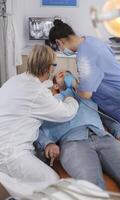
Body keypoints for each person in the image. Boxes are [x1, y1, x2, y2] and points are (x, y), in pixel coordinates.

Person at [35, 72, 120, 194]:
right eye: (61, 75)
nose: (66, 77)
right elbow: (35, 129)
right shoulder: (51, 103)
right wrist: (48, 144)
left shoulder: (89, 99)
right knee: (92, 186)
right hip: (73, 143)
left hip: (104, 138)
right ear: (55, 85)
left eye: (69, 75)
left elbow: (110, 120)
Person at [0, 45, 79, 186]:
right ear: (49, 68)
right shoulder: (37, 92)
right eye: (54, 65)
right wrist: (68, 95)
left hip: (5, 145)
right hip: (10, 153)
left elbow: (36, 103)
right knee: (53, 182)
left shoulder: (14, 80)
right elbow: (67, 113)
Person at [48, 19, 120, 138]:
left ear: (59, 42)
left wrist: (72, 82)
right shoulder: (92, 41)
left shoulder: (83, 55)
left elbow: (86, 94)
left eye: (59, 48)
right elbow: (99, 72)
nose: (61, 50)